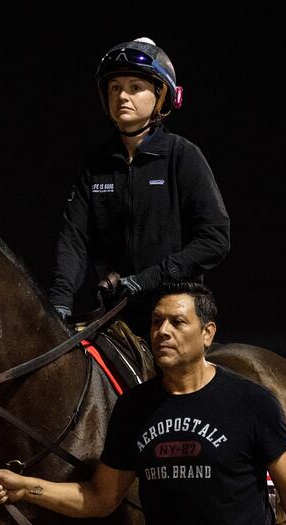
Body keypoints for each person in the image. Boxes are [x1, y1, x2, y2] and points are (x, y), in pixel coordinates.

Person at [0, 281, 286, 525]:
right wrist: (25, 488)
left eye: (177, 322)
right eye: (157, 322)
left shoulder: (251, 401)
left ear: (207, 333)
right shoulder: (134, 408)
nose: (163, 332)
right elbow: (99, 497)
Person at [47, 38, 230, 341]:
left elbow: (215, 238)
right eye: (115, 88)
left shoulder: (182, 156)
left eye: (135, 87)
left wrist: (147, 280)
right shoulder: (94, 165)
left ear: (160, 97)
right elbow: (74, 238)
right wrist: (59, 301)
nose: (122, 96)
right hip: (115, 313)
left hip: (176, 307)